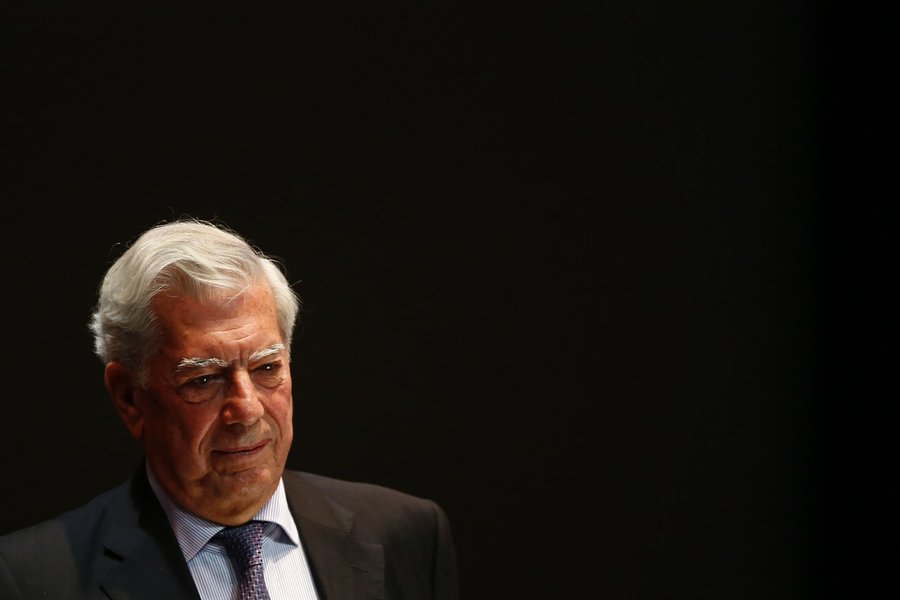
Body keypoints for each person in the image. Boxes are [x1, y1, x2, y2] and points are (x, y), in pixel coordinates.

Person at [0, 218, 458, 600]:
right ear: (129, 396)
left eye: (266, 367)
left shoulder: (407, 536)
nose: (246, 409)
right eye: (202, 379)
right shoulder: (33, 579)